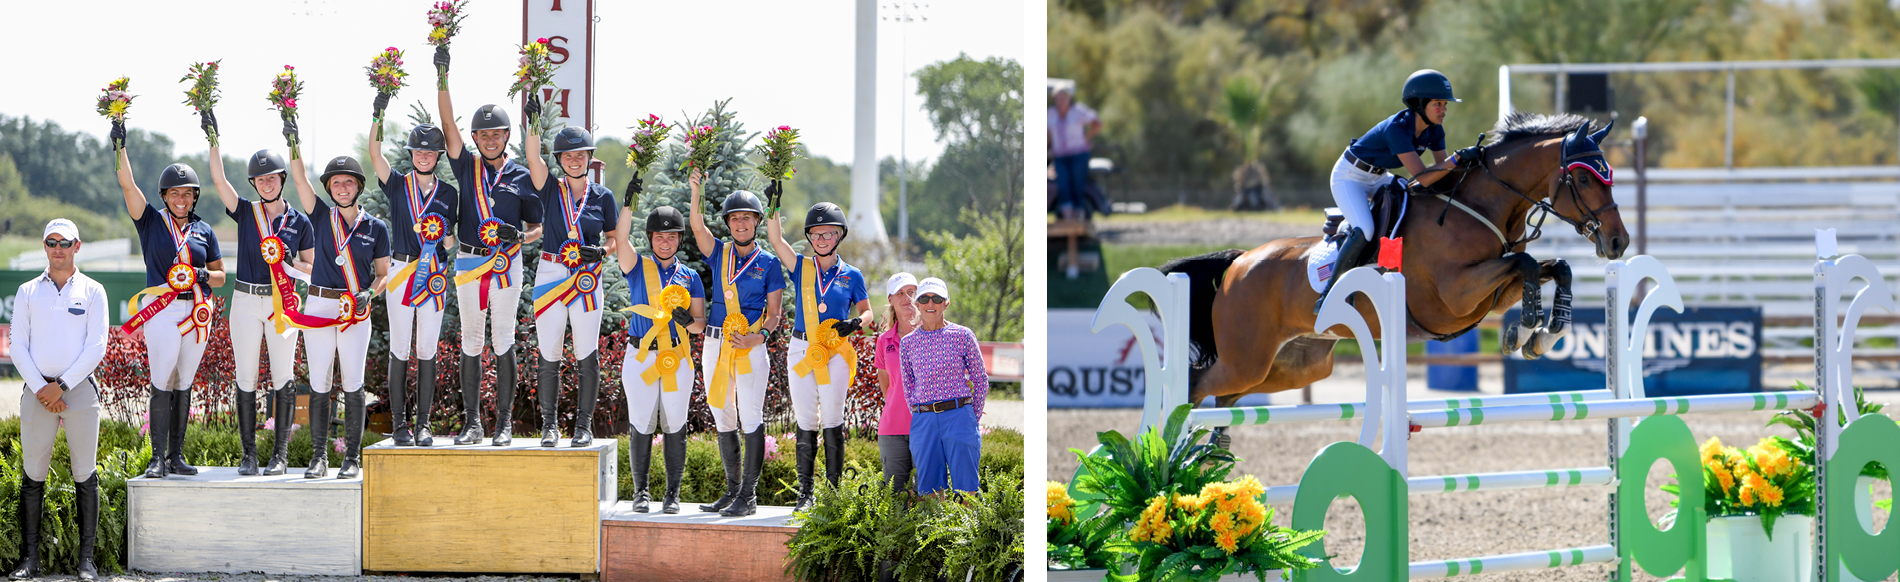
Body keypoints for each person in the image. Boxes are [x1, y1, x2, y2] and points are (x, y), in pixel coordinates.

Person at [436, 45, 544, 446]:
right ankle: (472, 423)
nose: (490, 139)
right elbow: (448, 125)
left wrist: (521, 237)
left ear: (505, 136)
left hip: (506, 264)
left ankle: (503, 423)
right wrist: (442, 75)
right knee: (471, 339)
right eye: (482, 134)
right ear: (476, 138)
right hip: (468, 262)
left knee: (503, 339)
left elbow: (536, 227)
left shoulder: (520, 175)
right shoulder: (467, 165)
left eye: (496, 134)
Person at [201, 105, 317, 475]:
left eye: (272, 179)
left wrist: (288, 266)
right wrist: (213, 138)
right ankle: (249, 454)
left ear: (282, 179)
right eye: (260, 180)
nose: (266, 184)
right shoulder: (246, 211)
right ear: (254, 184)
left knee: (283, 376)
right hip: (246, 301)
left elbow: (312, 268)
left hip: (283, 303)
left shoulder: (299, 222)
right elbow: (219, 181)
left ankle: (280, 454)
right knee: (246, 376)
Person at [113, 119, 226, 480]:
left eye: (188, 193)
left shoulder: (204, 230)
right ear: (165, 196)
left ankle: (177, 455)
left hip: (197, 312)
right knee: (162, 378)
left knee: (185, 380)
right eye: (175, 193)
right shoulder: (149, 221)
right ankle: (157, 458)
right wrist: (120, 146)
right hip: (161, 310)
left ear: (194, 197)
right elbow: (128, 184)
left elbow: (221, 275)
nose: (182, 199)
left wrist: (203, 276)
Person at [8, 219, 108, 581]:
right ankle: (30, 560)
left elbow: (97, 346)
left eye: (65, 242)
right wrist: (42, 388)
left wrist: (61, 385)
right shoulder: (27, 291)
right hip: (37, 392)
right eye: (51, 242)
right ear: (45, 246)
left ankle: (86, 562)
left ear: (77, 246)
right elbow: (16, 344)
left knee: (86, 473)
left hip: (79, 390)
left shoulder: (94, 290)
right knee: (32, 475)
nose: (58, 249)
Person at [1319, 69, 1467, 312]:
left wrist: (1462, 163)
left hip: (1379, 176)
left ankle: (1387, 272)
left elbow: (1441, 171)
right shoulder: (1397, 129)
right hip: (1350, 176)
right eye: (1438, 104)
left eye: (1445, 104)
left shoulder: (1435, 130)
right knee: (1365, 229)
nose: (1444, 109)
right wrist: (1456, 159)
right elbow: (1424, 177)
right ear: (1419, 104)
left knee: (1408, 212)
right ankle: (1331, 293)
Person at [288, 147, 392, 479]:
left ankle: (351, 459)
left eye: (349, 182)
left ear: (358, 187)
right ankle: (319, 458)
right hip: (320, 304)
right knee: (319, 381)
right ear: (329, 188)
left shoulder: (376, 228)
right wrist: (292, 135)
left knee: (353, 382)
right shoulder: (320, 216)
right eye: (336, 183)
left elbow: (383, 274)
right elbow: (300, 178)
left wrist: (368, 293)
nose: (342, 188)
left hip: (354, 310)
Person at [764, 193, 870, 511]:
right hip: (801, 349)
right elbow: (775, 238)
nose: (822, 238)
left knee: (833, 419)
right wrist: (774, 205)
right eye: (816, 234)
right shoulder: (801, 266)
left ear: (839, 235)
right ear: (810, 237)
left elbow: (867, 312)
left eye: (829, 233)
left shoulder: (853, 274)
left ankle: (834, 494)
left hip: (835, 351)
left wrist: (855, 324)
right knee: (806, 419)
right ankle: (805, 493)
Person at [687, 169, 784, 517]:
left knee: (750, 415)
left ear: (756, 222)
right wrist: (696, 190)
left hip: (750, 347)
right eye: (735, 218)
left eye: (747, 217)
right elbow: (697, 228)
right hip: (715, 343)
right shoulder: (719, 254)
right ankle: (732, 492)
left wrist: (761, 336)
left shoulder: (770, 264)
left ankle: (750, 495)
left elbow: (775, 314)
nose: (741, 223)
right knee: (723, 415)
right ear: (728, 223)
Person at [368, 94, 460, 447]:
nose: (423, 156)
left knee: (426, 347)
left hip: (434, 272)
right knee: (400, 347)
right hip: (401, 270)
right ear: (411, 154)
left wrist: (445, 236)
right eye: (418, 152)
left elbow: (450, 242)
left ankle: (423, 424)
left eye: (430, 152)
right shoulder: (396, 184)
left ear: (438, 157)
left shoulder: (448, 193)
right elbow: (375, 155)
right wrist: (378, 112)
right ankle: (401, 424)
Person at [526, 124, 617, 447]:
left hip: (586, 277)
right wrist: (534, 123)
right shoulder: (550, 188)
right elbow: (533, 157)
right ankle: (549, 426)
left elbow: (614, 238)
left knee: (586, 351)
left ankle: (583, 426)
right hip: (551, 272)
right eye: (568, 156)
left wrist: (603, 251)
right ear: (560, 160)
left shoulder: (603, 197)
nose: (575, 161)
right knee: (549, 350)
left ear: (589, 158)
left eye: (581, 155)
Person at [616, 203, 706, 514]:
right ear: (651, 239)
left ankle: (672, 493)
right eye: (658, 237)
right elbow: (621, 235)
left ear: (679, 240)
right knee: (640, 422)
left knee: (675, 422)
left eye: (670, 237)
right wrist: (629, 205)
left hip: (676, 357)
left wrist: (685, 320)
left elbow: (698, 326)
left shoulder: (690, 276)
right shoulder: (637, 266)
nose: (664, 242)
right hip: (641, 355)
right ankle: (641, 492)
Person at [899, 277, 989, 495]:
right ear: (917, 304)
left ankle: (965, 530)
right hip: (924, 420)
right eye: (925, 298)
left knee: (967, 488)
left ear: (946, 303)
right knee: (928, 490)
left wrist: (970, 417)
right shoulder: (908, 343)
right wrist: (920, 414)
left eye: (937, 298)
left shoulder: (963, 335)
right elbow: (908, 385)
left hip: (959, 415)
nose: (931, 304)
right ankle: (937, 530)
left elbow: (980, 378)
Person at [874, 272, 919, 490]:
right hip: (892, 429)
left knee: (927, 497)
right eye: (900, 293)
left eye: (911, 292)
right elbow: (887, 387)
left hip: (926, 426)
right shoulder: (884, 341)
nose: (907, 298)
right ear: (891, 300)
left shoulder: (932, 335)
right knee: (895, 499)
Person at [1047, 87, 1100, 220]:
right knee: (1063, 183)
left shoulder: (1077, 111)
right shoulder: (1050, 114)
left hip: (1078, 154)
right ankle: (1067, 215)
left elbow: (1097, 123)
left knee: (1077, 183)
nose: (1061, 101)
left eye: (1064, 97)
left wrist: (1086, 138)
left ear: (1069, 98)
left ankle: (1079, 212)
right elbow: (1048, 135)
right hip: (1060, 156)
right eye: (1059, 98)